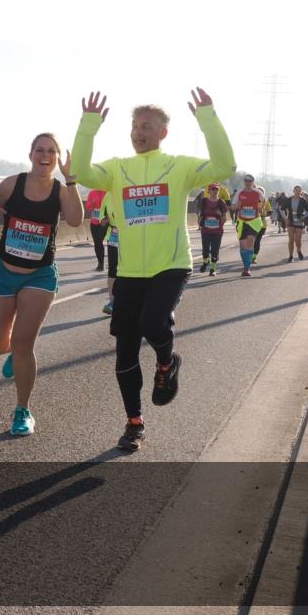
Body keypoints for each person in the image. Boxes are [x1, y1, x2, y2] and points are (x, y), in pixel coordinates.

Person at [71, 88, 236, 453]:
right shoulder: (118, 170)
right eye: (134, 126)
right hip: (130, 272)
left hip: (171, 266)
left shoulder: (177, 166)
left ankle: (167, 361)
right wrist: (88, 127)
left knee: (152, 323)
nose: (138, 132)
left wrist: (208, 119)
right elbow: (80, 171)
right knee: (125, 352)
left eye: (146, 126)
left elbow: (225, 167)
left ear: (162, 132)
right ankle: (134, 422)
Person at [0, 134, 84, 436]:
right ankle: (10, 352)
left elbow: (74, 220)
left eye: (51, 152)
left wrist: (71, 180)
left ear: (57, 158)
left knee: (24, 345)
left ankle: (23, 410)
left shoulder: (61, 191)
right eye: (39, 150)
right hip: (2, 271)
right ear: (30, 154)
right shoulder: (10, 185)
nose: (44, 156)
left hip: (40, 275)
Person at [232, 174, 263, 277]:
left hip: (253, 221)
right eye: (246, 180)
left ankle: (247, 268)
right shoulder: (239, 193)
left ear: (253, 182)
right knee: (243, 246)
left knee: (250, 242)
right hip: (242, 222)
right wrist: (237, 206)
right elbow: (232, 208)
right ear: (244, 182)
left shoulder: (257, 193)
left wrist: (260, 208)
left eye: (250, 181)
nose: (248, 182)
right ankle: (245, 264)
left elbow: (264, 201)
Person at [197, 183, 228, 276]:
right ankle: (205, 261)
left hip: (217, 231)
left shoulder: (221, 202)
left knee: (215, 250)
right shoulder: (204, 201)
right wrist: (200, 223)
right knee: (205, 250)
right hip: (206, 230)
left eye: (216, 190)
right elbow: (201, 214)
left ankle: (212, 269)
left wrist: (220, 215)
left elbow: (224, 219)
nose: (215, 191)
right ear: (209, 191)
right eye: (213, 189)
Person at [101, 191, 120, 313]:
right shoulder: (108, 195)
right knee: (113, 268)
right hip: (114, 235)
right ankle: (112, 301)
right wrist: (106, 219)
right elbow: (102, 220)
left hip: (132, 235)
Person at [283, 185, 308, 262]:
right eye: (296, 190)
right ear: (293, 191)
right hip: (290, 222)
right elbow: (281, 209)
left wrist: (303, 217)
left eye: (299, 191)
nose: (298, 192)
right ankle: (291, 256)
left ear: (301, 192)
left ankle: (298, 250)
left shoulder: (303, 200)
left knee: (298, 240)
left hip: (299, 222)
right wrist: (285, 218)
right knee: (291, 240)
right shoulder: (289, 199)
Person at [85, 188, 108, 271]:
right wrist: (92, 203)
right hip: (94, 222)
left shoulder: (108, 192)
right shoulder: (92, 192)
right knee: (97, 243)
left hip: (105, 221)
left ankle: (112, 262)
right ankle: (100, 263)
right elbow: (87, 206)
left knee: (100, 241)